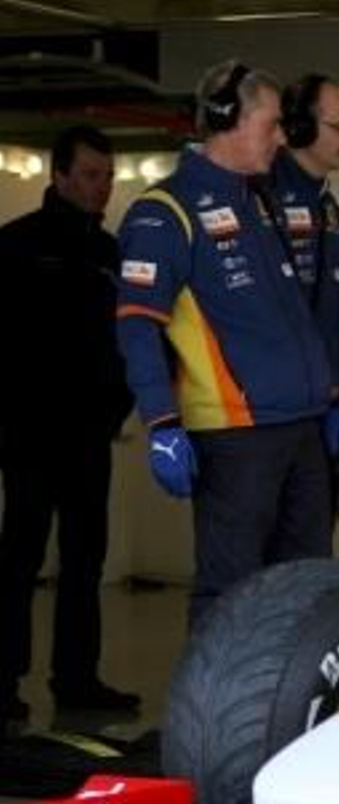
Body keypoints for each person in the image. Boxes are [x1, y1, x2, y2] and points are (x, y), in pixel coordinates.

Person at [116, 61, 338, 629]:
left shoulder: (259, 203)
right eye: (271, 124)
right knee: (231, 595)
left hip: (302, 425)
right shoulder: (163, 212)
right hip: (235, 437)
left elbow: (289, 314)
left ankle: (292, 716)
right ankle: (215, 718)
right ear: (227, 120)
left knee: (307, 591)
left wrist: (329, 396)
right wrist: (162, 424)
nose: (283, 137)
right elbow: (137, 325)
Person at [0, 126, 139, 721]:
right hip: (29, 434)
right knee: (19, 559)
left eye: (107, 176)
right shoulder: (14, 247)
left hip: (89, 436)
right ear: (57, 176)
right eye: (89, 175)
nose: (100, 187)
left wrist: (114, 411)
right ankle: (3, 685)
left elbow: (125, 342)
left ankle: (77, 680)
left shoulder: (109, 254)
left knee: (86, 560)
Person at [269, 73, 339, 495]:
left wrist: (338, 401)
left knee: (314, 550)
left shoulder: (327, 205)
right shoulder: (264, 199)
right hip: (280, 415)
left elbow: (334, 314)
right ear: (301, 127)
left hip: (327, 403)